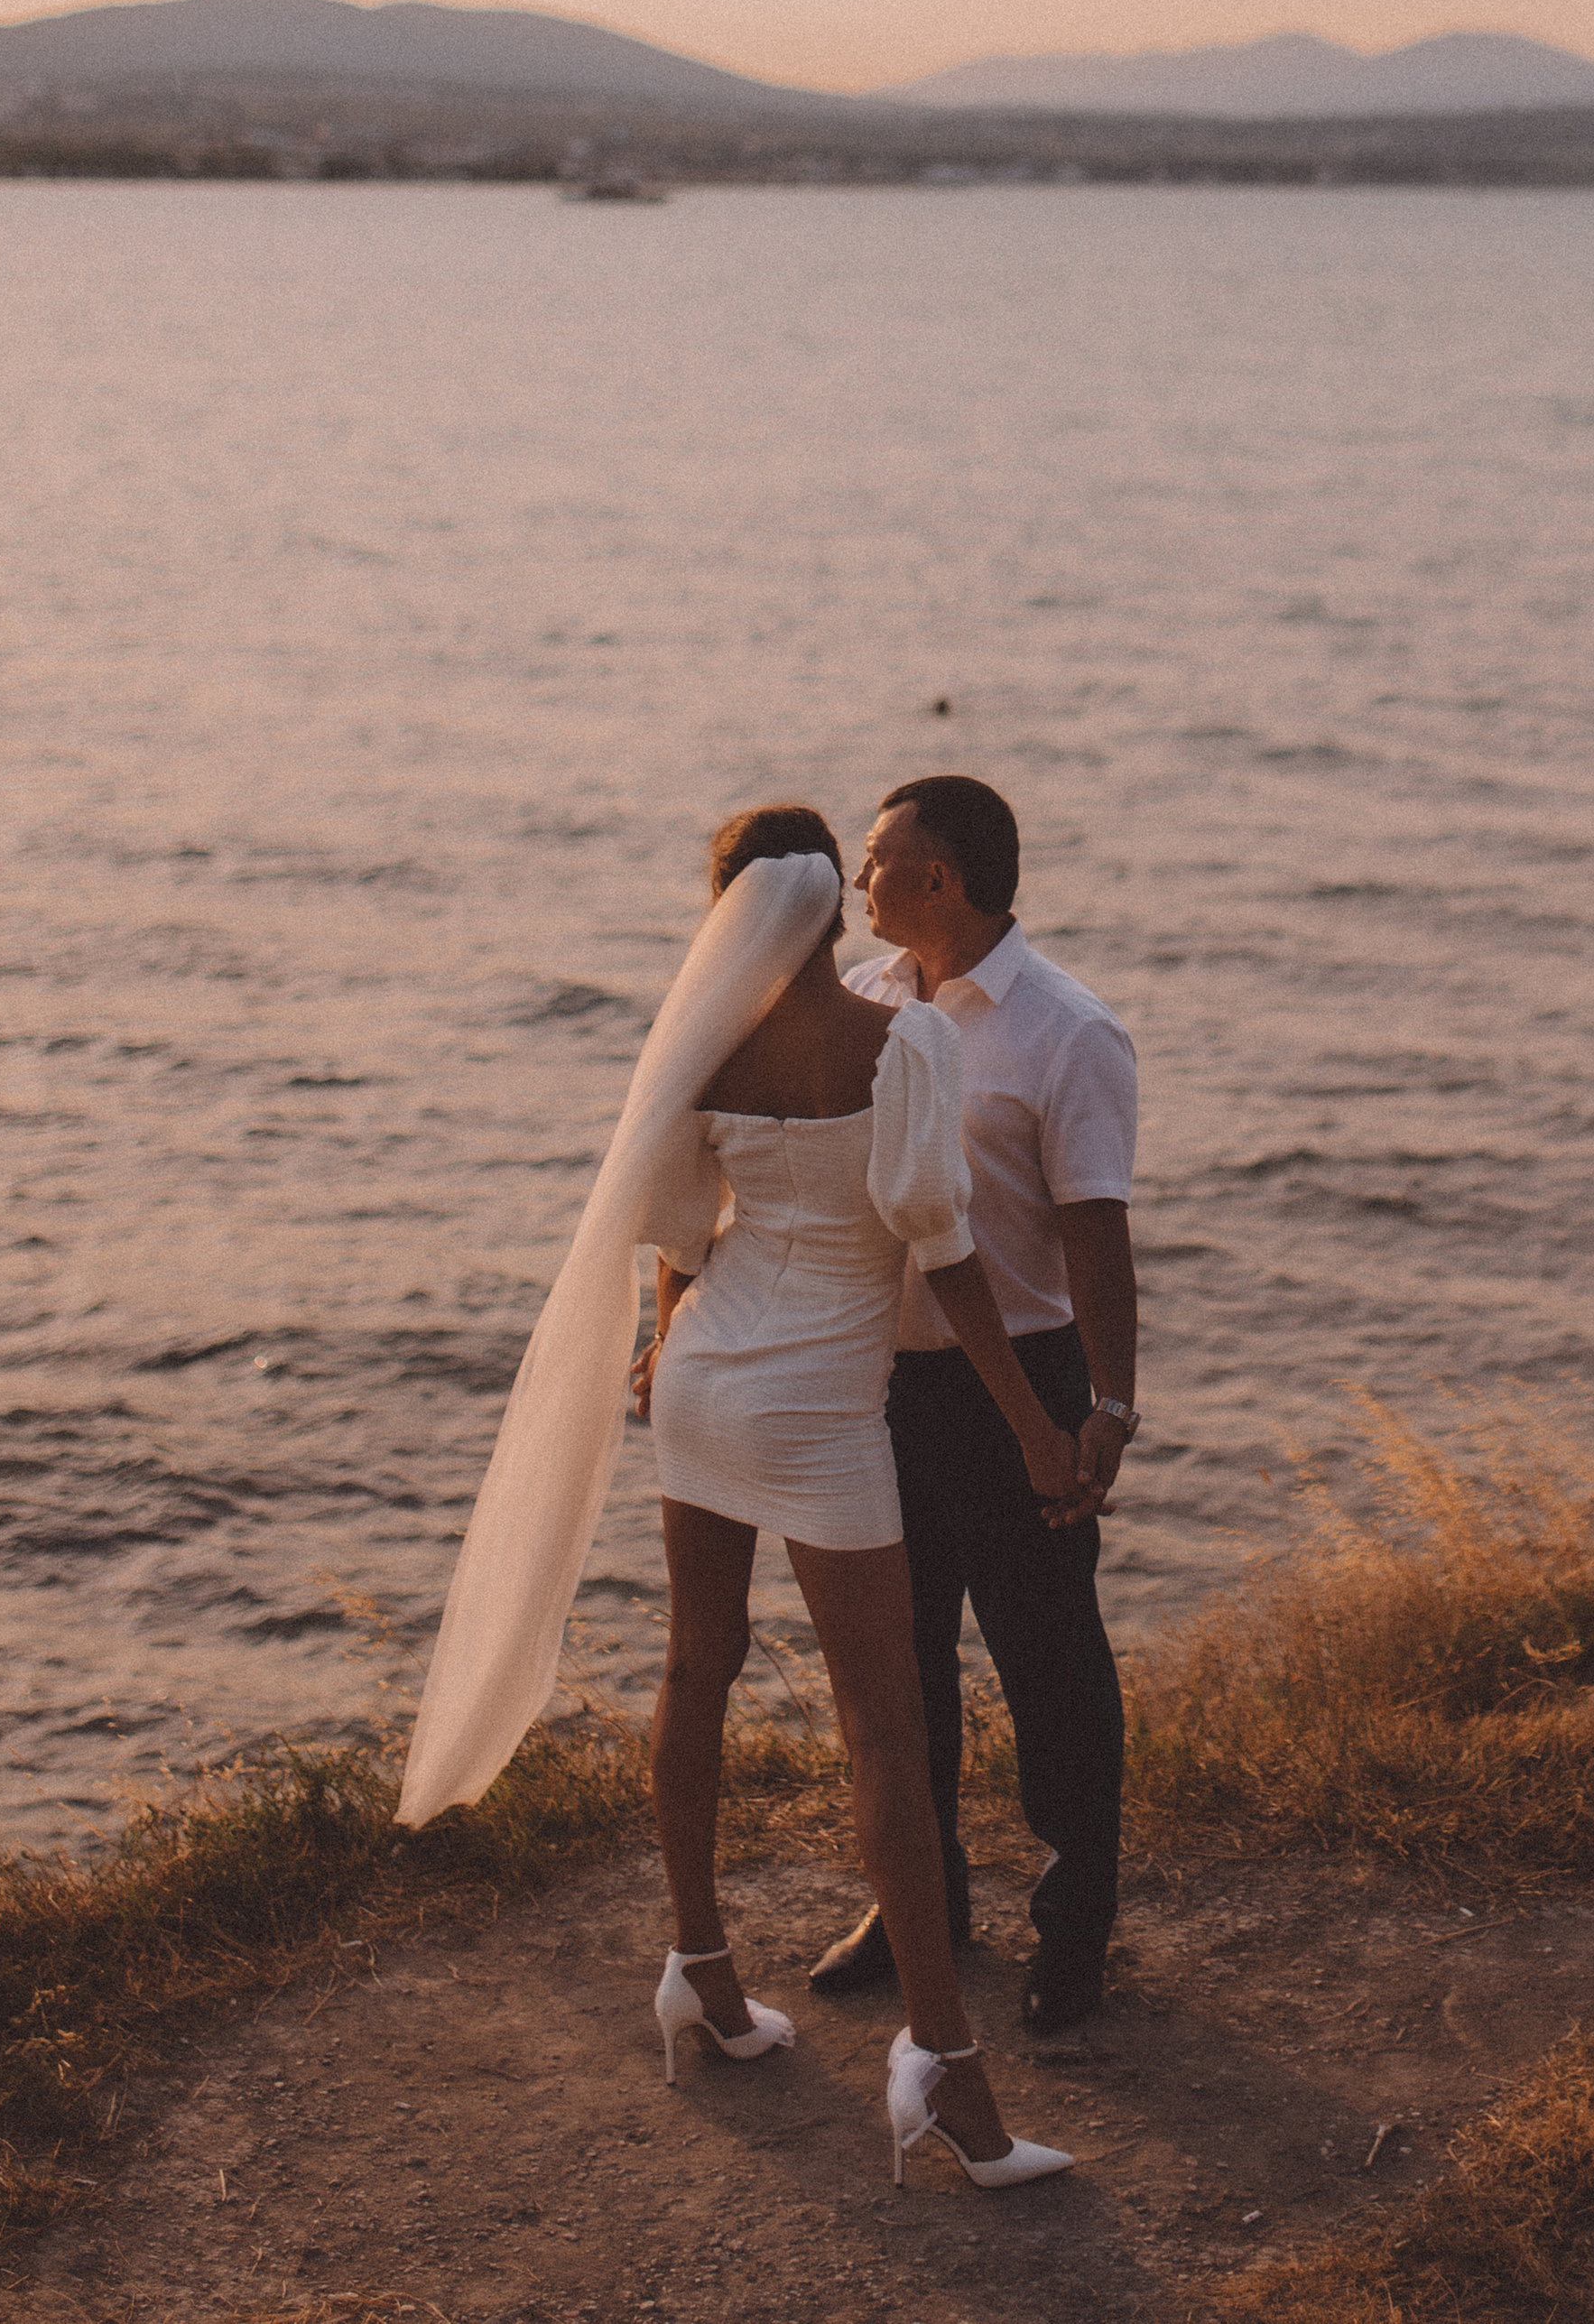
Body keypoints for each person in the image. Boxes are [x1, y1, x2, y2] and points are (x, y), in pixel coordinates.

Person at [398, 807, 1076, 2194]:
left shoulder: (700, 1049)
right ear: (833, 904)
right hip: (824, 1406)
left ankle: (702, 1972)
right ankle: (945, 2070)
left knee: (695, 1667)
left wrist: (662, 1335)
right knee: (884, 1730)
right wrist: (1030, 1424)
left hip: (703, 1383)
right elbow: (942, 1254)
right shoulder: (908, 1045)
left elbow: (675, 1225)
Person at [811, 774, 1138, 2036]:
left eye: (879, 858)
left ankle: (1075, 1927)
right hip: (876, 1385)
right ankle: (919, 1909)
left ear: (938, 880)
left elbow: (1097, 1236)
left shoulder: (1067, 1033)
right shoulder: (867, 1005)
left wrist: (1106, 1408)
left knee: (1048, 1659)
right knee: (902, 1666)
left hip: (1023, 1389)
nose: (861, 879)